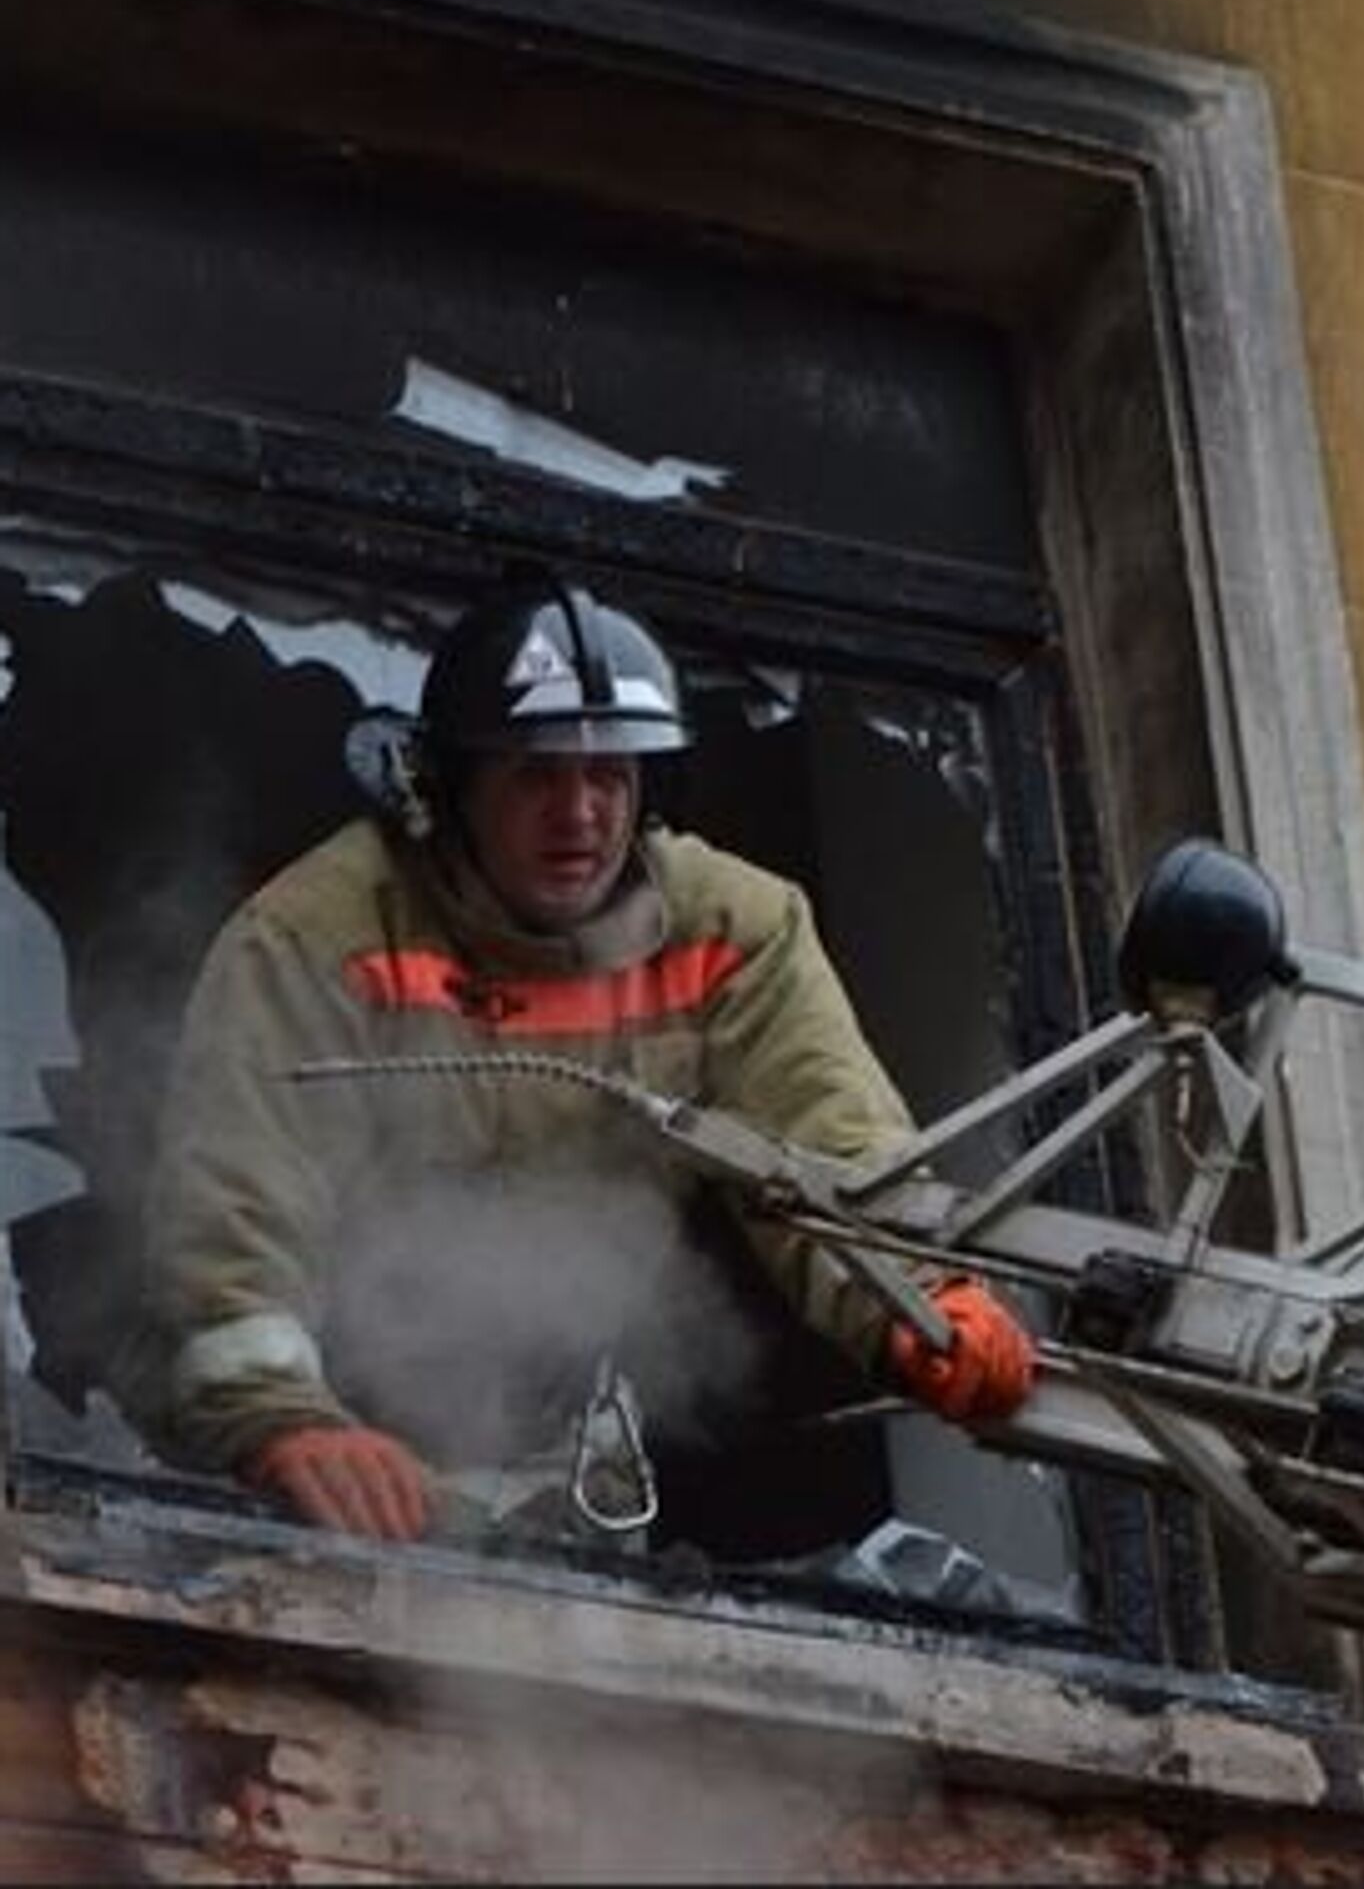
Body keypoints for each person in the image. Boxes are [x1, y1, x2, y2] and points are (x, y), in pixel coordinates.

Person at [137, 572, 1034, 1544]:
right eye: (537, 773)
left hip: (569, 1472)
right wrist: (282, 1422)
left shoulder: (736, 927)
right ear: (448, 786)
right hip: (331, 1465)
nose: (580, 815)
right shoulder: (319, 933)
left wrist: (920, 1300)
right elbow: (235, 1192)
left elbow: (830, 1140)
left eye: (610, 774)